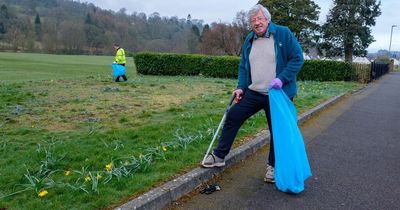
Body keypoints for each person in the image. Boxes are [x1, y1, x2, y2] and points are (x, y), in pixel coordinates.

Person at [201, 4, 304, 184]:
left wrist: (282, 78)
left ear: (267, 19)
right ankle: (219, 156)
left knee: (277, 131)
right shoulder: (250, 39)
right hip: (254, 91)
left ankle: (273, 166)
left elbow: (297, 58)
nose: (256, 23)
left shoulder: (283, 33)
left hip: (277, 94)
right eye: (253, 21)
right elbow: (243, 67)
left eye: (259, 19)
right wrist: (241, 87)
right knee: (233, 115)